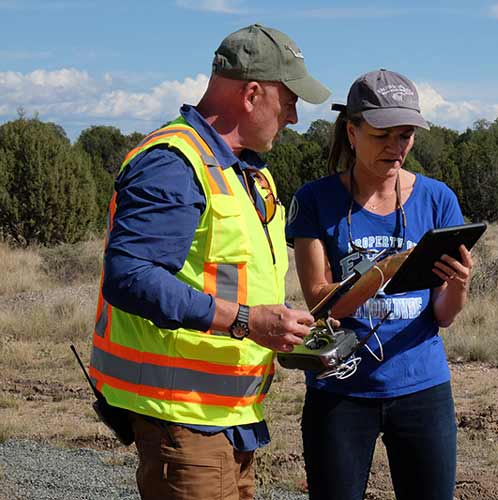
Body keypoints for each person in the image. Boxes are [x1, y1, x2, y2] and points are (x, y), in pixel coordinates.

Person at [88, 24, 330, 500]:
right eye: (290, 102)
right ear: (252, 94)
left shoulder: (242, 170)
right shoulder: (173, 163)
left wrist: (284, 330)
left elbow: (231, 279)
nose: (295, 118)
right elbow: (130, 276)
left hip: (227, 419)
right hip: (185, 424)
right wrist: (247, 321)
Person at [286, 69, 473, 500]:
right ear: (352, 132)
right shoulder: (315, 201)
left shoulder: (437, 199)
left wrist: (460, 283)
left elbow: (442, 315)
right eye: (382, 135)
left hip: (421, 388)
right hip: (340, 389)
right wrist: (386, 269)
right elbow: (320, 305)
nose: (396, 147)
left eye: (405, 135)